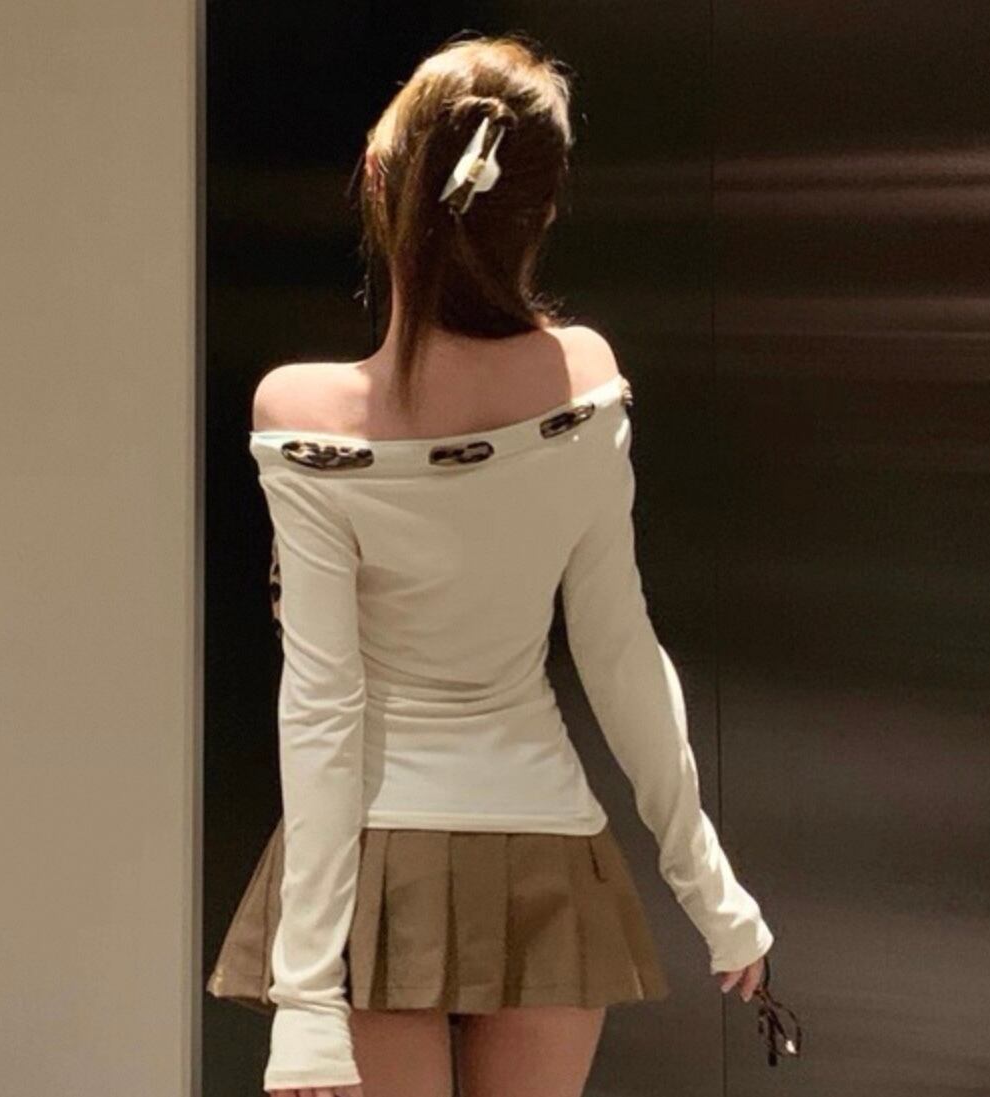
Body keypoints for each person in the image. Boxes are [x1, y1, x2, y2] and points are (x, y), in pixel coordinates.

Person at [246, 31, 774, 1097]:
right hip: (545, 858)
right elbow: (619, 648)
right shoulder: (582, 380)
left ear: (381, 183)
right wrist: (711, 890)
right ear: (539, 209)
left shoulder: (302, 409)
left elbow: (323, 701)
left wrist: (305, 994)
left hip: (370, 872)